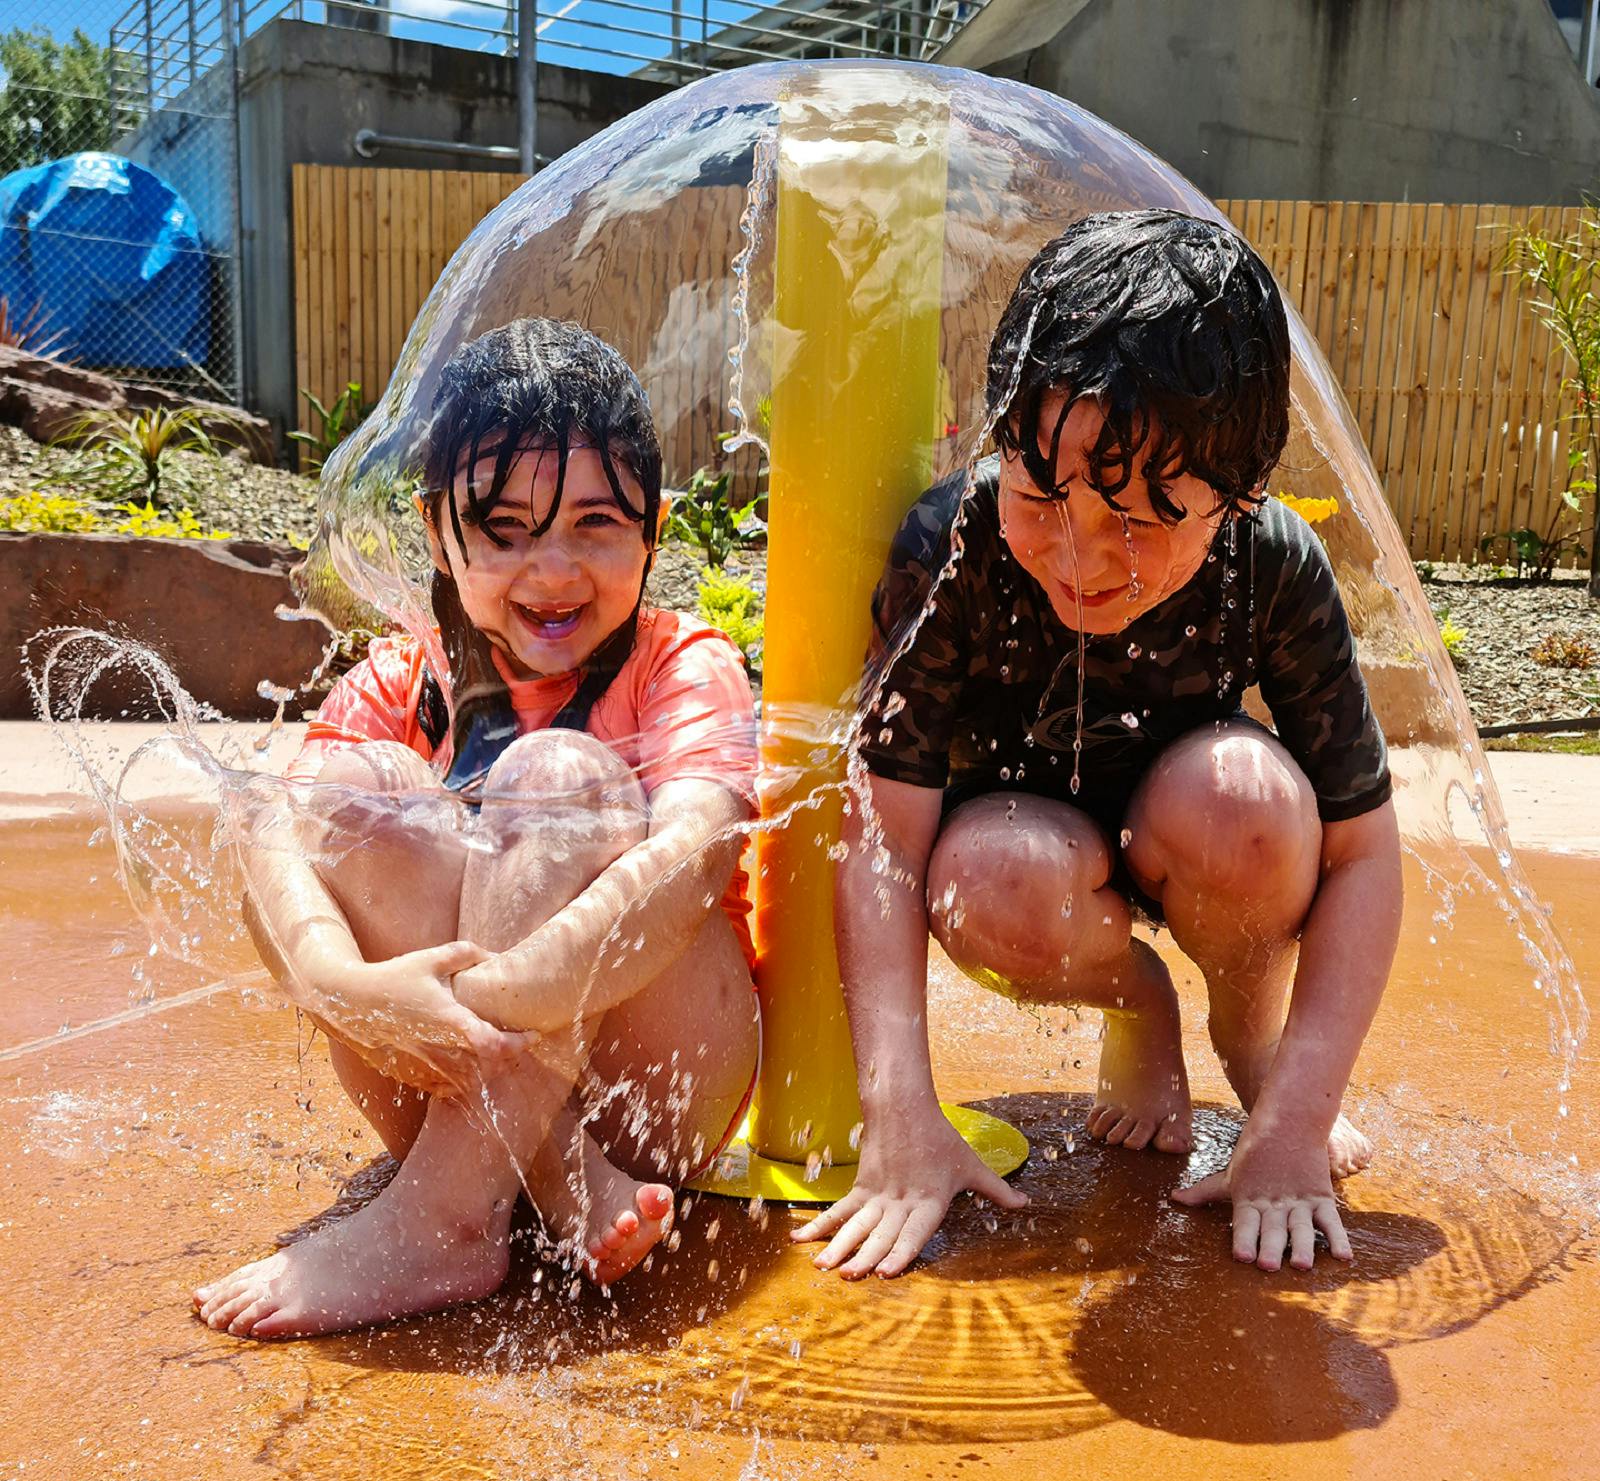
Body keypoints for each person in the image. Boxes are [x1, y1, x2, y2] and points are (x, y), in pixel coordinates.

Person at [798, 210, 1402, 1281]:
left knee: (1250, 807)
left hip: (1192, 828)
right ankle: (1137, 1000)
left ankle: (1250, 1042)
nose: (1078, 555)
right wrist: (900, 1114)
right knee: (986, 878)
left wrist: (1302, 1114)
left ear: (1242, 486)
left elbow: (1362, 857)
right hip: (1023, 849)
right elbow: (883, 842)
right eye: (1041, 494)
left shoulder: (1270, 563)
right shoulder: (954, 546)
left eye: (1138, 517)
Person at [193, 319, 760, 1339]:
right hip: (442, 1067)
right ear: (435, 531)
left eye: (596, 523)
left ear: (656, 529)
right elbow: (265, 831)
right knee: (348, 790)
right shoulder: (409, 676)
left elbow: (695, 856)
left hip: (653, 1093)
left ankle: (447, 1217)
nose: (553, 570)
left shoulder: (683, 662)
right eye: (504, 528)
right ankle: (545, 1173)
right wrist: (341, 983)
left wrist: (494, 1001)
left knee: (556, 776)